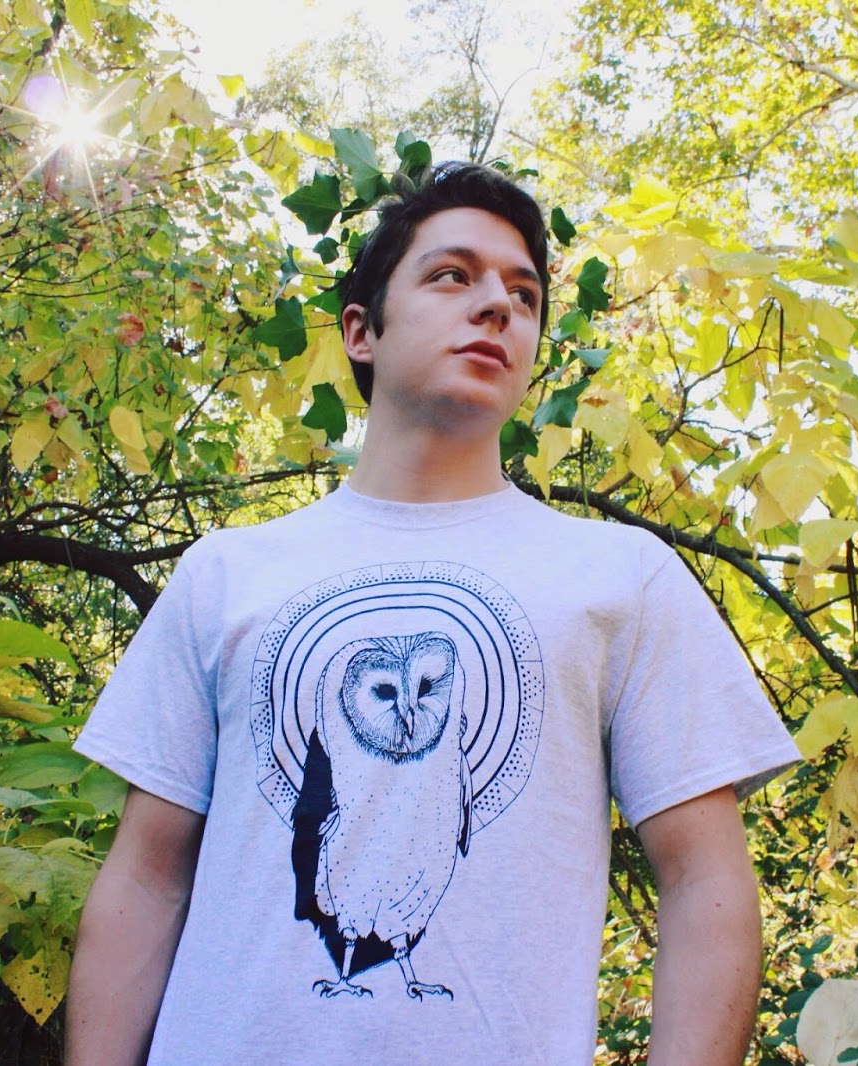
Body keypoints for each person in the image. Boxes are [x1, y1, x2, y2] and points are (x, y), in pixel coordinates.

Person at [66, 162, 799, 1065]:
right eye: (453, 275)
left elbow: (703, 884)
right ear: (361, 330)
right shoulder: (225, 574)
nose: (497, 306)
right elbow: (146, 881)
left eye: (524, 294)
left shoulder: (623, 578)